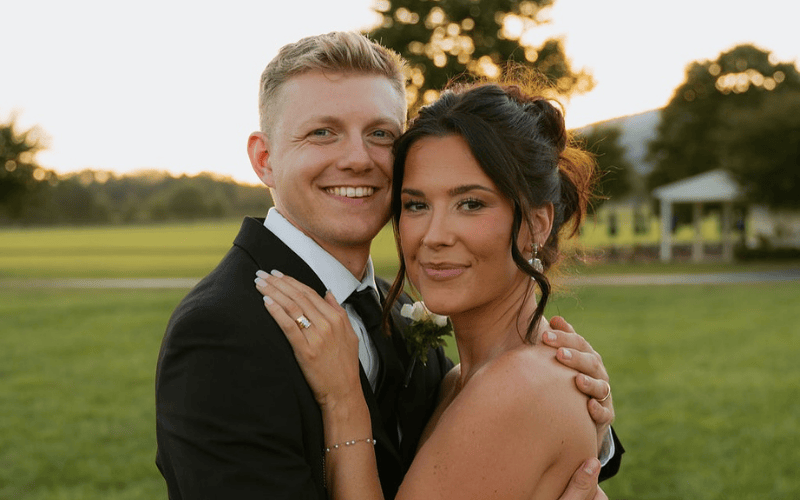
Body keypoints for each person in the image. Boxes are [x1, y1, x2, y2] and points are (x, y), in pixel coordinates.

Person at [155, 31, 621, 500]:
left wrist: (586, 427)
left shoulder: (402, 316)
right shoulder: (221, 331)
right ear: (264, 158)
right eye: (323, 132)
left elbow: (500, 439)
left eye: (380, 134)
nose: (358, 159)